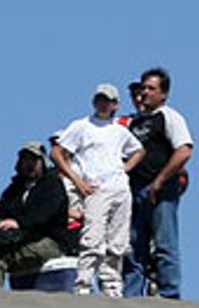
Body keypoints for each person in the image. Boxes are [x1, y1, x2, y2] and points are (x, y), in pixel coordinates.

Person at [51, 83, 143, 296]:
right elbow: (57, 152)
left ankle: (112, 286)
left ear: (115, 104)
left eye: (107, 101)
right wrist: (77, 180)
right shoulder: (82, 126)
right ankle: (83, 284)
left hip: (119, 187)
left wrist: (124, 169)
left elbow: (138, 150)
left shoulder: (120, 130)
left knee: (118, 240)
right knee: (92, 238)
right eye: (99, 100)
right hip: (95, 187)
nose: (103, 104)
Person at [122, 67, 194, 298]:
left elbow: (184, 150)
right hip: (134, 190)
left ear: (163, 94)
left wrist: (160, 180)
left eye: (151, 88)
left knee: (164, 243)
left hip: (161, 191)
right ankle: (132, 293)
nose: (145, 92)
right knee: (133, 247)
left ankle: (169, 293)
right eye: (143, 88)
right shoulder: (133, 122)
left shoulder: (170, 116)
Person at [0, 142, 73, 287]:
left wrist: (19, 223)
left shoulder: (52, 185)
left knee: (0, 251)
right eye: (26, 160)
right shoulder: (16, 187)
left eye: (34, 160)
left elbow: (44, 215)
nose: (30, 165)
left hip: (49, 241)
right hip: (18, 237)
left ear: (42, 162)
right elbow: (2, 208)